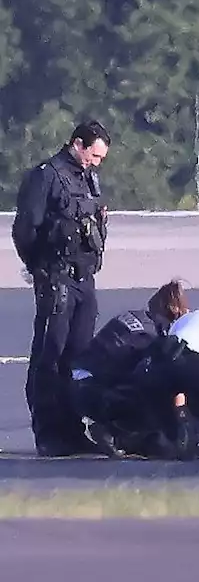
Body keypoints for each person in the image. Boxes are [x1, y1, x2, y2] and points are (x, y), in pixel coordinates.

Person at [11, 121, 111, 456]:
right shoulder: (46, 176)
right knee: (49, 356)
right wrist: (39, 269)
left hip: (84, 279)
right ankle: (49, 431)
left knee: (79, 357)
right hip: (57, 279)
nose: (96, 162)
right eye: (93, 154)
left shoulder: (87, 177)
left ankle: (72, 428)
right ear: (78, 144)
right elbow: (25, 229)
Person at [68, 279, 191, 455]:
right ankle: (117, 435)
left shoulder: (135, 317)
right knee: (157, 390)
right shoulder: (154, 334)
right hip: (96, 392)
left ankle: (109, 427)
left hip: (78, 384)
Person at [126, 308, 199, 460]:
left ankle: (166, 437)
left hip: (170, 360)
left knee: (166, 389)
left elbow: (167, 350)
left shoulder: (187, 319)